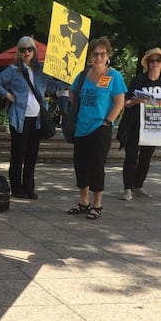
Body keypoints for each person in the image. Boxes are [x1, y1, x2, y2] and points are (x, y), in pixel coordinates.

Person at [0, 36, 65, 199]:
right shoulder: (13, 70)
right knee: (18, 155)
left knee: (32, 155)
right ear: (19, 52)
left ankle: (29, 187)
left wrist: (69, 81)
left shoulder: (41, 69)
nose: (26, 52)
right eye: (23, 49)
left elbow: (53, 86)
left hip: (36, 119)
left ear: (34, 51)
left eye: (30, 49)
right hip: (19, 119)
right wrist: (8, 95)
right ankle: (16, 188)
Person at [67, 36, 127, 219]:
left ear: (107, 56)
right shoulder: (83, 75)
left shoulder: (114, 76)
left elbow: (120, 101)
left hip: (100, 128)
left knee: (96, 166)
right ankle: (84, 201)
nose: (98, 58)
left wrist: (108, 120)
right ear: (90, 56)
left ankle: (97, 203)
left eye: (102, 54)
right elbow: (72, 92)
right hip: (81, 127)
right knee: (80, 166)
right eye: (95, 54)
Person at [119, 47, 161, 201]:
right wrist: (135, 101)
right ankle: (127, 188)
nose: (155, 63)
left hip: (154, 126)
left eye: (158, 60)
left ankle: (138, 185)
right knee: (131, 157)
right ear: (147, 64)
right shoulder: (138, 80)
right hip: (135, 125)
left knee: (146, 158)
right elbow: (126, 102)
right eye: (152, 60)